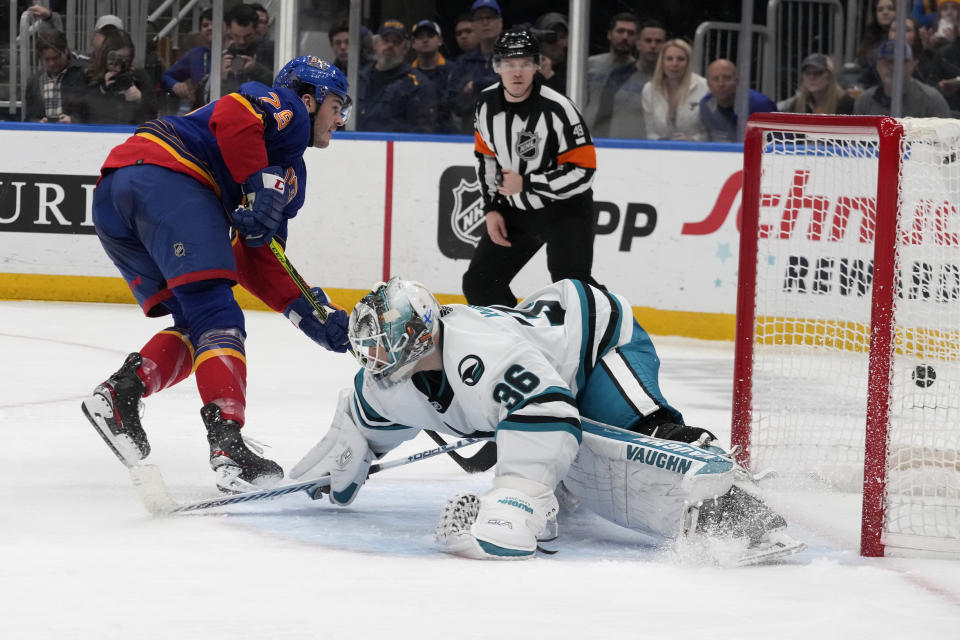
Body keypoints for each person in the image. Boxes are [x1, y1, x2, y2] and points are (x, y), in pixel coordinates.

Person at [289, 277, 803, 562]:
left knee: (640, 434)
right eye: (370, 347)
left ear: (419, 337)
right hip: (547, 356)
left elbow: (548, 411)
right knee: (580, 455)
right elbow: (365, 416)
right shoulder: (387, 378)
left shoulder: (480, 352)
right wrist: (349, 446)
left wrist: (520, 494)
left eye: (386, 344)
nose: (376, 358)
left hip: (596, 339)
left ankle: (737, 500)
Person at [80, 57, 353, 493]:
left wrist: (310, 313)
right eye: (337, 105)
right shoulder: (289, 114)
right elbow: (232, 113)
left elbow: (258, 257)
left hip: (116, 196)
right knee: (217, 316)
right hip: (167, 177)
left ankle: (120, 394)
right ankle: (227, 445)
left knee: (195, 321)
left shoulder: (291, 175)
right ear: (308, 98)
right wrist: (253, 184)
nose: (340, 119)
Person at [461, 29, 602, 307]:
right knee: (480, 283)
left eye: (525, 63)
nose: (517, 72)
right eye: (509, 64)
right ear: (497, 67)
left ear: (537, 65)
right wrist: (492, 208)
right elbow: (487, 158)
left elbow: (584, 169)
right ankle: (516, 342)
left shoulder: (559, 109)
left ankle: (615, 331)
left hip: (565, 209)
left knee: (573, 288)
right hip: (517, 209)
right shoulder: (485, 105)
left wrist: (528, 183)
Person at [355, 20, 438, 133]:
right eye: (386, 40)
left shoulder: (418, 85)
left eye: (397, 42)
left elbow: (422, 134)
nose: (390, 45)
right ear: (376, 44)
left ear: (405, 49)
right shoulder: (358, 78)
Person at [445, 0, 503, 134]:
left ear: (500, 22)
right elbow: (453, 102)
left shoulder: (514, 56)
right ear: (474, 25)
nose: (485, 22)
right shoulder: (463, 63)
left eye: (490, 17)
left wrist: (476, 85)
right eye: (479, 18)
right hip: (471, 137)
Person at [77, 27, 158, 124]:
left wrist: (140, 98)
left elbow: (154, 113)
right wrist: (102, 90)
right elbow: (79, 111)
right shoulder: (89, 75)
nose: (119, 67)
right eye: (116, 60)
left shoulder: (139, 76)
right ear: (105, 56)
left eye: (126, 60)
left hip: (129, 131)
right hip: (97, 132)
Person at [854, 39, 951, 116]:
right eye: (887, 61)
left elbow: (945, 139)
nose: (892, 67)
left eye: (900, 61)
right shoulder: (864, 101)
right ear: (877, 65)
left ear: (912, 65)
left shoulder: (932, 100)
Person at [583, 12, 640, 137]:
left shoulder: (640, 72)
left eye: (630, 33)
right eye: (620, 31)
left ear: (637, 39)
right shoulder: (588, 64)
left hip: (622, 141)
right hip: (588, 136)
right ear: (609, 34)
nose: (625, 37)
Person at [640, 38, 708, 141]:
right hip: (661, 151)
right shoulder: (649, 89)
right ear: (662, 62)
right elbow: (651, 132)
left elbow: (712, 132)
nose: (674, 64)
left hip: (697, 152)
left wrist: (693, 141)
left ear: (688, 63)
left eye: (680, 59)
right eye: (669, 59)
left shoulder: (705, 87)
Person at [699, 59, 776, 143]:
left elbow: (776, 142)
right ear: (708, 84)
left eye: (726, 78)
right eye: (715, 79)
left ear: (737, 81)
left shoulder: (761, 105)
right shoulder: (706, 104)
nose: (721, 84)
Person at [24, 29, 87, 123]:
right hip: (44, 136)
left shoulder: (82, 74)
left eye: (55, 58)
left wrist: (73, 121)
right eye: (47, 59)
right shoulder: (34, 81)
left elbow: (92, 113)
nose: (51, 63)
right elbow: (29, 117)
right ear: (40, 58)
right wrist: (37, 123)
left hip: (75, 135)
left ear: (65, 51)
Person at [161, 7, 213, 114]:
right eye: (205, 25)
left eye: (214, 24)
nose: (210, 28)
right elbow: (166, 77)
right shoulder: (196, 54)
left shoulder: (235, 51)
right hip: (201, 113)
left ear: (227, 27)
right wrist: (175, 85)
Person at [220, 3, 274, 95]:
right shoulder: (224, 55)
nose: (242, 41)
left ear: (256, 28)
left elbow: (283, 84)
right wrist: (221, 77)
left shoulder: (271, 50)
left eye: (248, 36)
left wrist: (256, 69)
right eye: (236, 36)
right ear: (228, 29)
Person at [778, 53, 855, 115]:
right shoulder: (797, 104)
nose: (812, 77)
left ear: (829, 76)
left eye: (818, 73)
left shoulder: (845, 103)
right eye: (808, 73)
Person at [533, 12, 569, 94]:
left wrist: (550, 76)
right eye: (551, 37)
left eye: (562, 37)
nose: (557, 42)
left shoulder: (575, 70)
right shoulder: (528, 68)